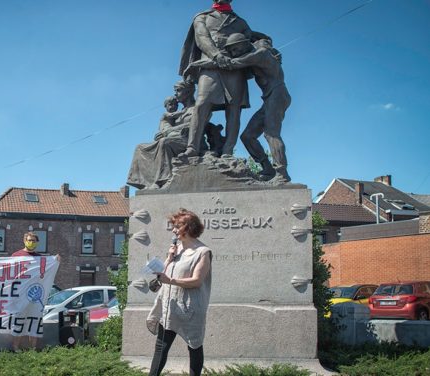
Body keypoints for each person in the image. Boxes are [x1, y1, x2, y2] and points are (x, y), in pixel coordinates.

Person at [178, 0, 252, 158]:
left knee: (234, 109)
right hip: (210, 65)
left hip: (233, 68)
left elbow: (248, 41)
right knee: (202, 105)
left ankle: (228, 151)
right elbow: (201, 37)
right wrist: (216, 55)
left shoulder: (240, 22)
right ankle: (192, 148)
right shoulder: (202, 16)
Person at [147, 209, 212, 376]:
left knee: (194, 347)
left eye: (177, 226)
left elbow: (197, 281)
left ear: (188, 228)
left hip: (190, 309)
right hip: (170, 306)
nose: (173, 230)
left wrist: (171, 281)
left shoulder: (202, 252)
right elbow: (163, 276)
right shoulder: (176, 250)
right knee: (161, 347)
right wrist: (169, 258)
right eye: (173, 226)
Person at [222, 33, 292, 182]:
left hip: (277, 94)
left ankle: (282, 174)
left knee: (271, 134)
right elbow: (267, 39)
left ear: (244, 43)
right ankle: (268, 169)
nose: (234, 53)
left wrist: (202, 63)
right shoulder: (261, 49)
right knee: (247, 136)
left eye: (235, 49)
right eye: (232, 51)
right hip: (269, 98)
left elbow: (232, 63)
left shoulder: (259, 53)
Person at [127, 80, 196, 189]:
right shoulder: (179, 111)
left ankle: (163, 180)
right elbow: (167, 126)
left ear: (188, 92)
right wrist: (163, 133)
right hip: (173, 139)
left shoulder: (197, 108)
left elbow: (193, 125)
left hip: (188, 141)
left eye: (178, 91)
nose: (175, 94)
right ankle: (143, 182)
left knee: (164, 142)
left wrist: (167, 132)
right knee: (140, 147)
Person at [10, 232, 56, 351]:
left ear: (37, 243)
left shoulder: (40, 258)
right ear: (24, 240)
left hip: (34, 295)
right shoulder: (16, 255)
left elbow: (45, 273)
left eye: (34, 241)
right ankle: (15, 347)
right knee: (19, 320)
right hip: (20, 295)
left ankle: (33, 349)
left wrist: (55, 261)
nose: (31, 243)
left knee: (34, 320)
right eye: (29, 240)